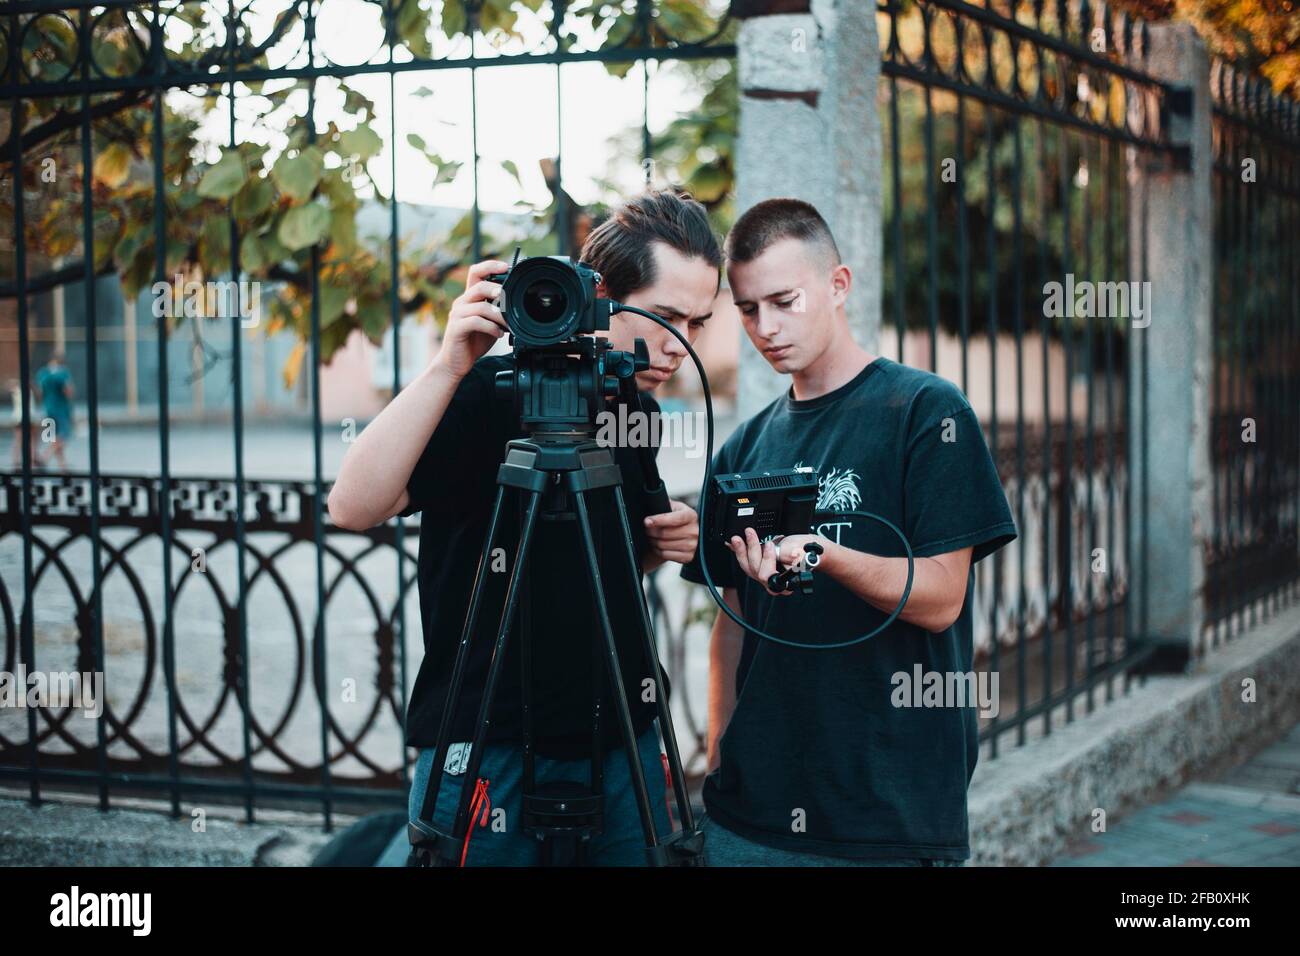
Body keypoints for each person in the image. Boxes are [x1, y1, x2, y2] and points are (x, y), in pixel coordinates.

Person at [329, 189, 722, 866]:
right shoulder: (486, 392)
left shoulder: (636, 410)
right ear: (601, 296)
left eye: (697, 320)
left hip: (621, 734)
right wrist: (450, 365)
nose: (678, 342)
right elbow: (352, 506)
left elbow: (607, 560)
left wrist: (661, 544)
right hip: (490, 737)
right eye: (663, 315)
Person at [682, 198, 1017, 866]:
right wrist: (723, 758)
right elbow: (732, 622)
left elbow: (942, 597)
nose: (765, 327)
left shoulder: (926, 413)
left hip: (887, 817)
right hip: (750, 818)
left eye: (785, 300)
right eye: (748, 309)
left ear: (838, 286)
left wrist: (826, 554)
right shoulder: (746, 446)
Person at [34, 353, 75, 470]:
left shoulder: (43, 373)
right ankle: (45, 457)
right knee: (64, 436)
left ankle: (62, 465)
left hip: (48, 409)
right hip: (62, 410)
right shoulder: (63, 373)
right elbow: (68, 391)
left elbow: (39, 393)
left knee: (53, 436)